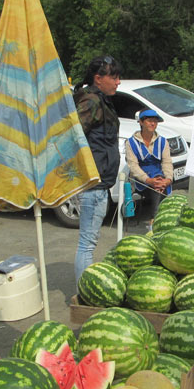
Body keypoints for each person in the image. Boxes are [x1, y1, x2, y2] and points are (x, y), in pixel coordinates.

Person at [73, 55, 122, 283]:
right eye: (114, 77)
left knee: (88, 242)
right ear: (98, 78)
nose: (118, 82)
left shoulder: (101, 100)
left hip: (100, 184)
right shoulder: (91, 102)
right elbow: (73, 136)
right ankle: (84, 291)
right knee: (87, 243)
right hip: (94, 185)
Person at [124, 108, 173, 220]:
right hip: (141, 180)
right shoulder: (131, 143)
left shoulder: (162, 141)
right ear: (141, 122)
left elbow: (167, 162)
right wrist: (148, 180)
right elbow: (133, 166)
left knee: (159, 185)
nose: (153, 124)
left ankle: (157, 219)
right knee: (158, 187)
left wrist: (168, 179)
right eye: (149, 121)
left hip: (159, 176)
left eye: (155, 121)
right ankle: (156, 219)